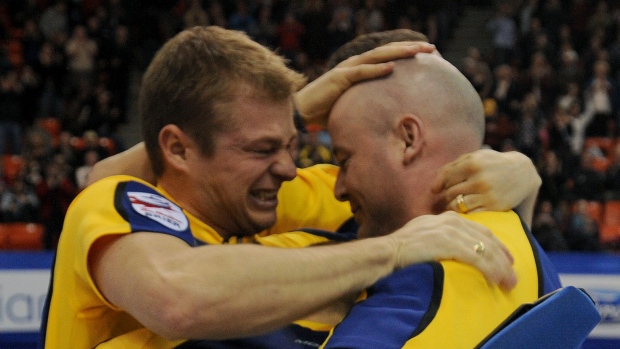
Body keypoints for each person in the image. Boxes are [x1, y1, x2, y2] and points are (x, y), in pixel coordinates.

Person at [39, 27, 536, 349]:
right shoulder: (120, 205)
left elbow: (415, 193)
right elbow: (178, 296)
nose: (289, 170)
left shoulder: (281, 193)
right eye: (260, 149)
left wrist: (521, 174)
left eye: (293, 145)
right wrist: (393, 251)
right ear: (180, 150)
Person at [318, 54, 562, 348]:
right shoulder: (526, 248)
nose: (339, 189)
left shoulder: (420, 284)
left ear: (408, 139)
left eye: (345, 161)